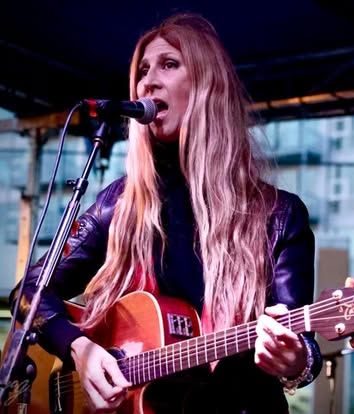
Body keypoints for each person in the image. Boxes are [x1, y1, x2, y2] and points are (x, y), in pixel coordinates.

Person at [10, 13, 322, 413]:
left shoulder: (277, 216)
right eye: (142, 71)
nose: (148, 82)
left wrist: (295, 359)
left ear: (208, 88)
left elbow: (302, 343)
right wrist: (80, 349)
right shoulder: (120, 204)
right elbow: (29, 292)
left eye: (169, 64)